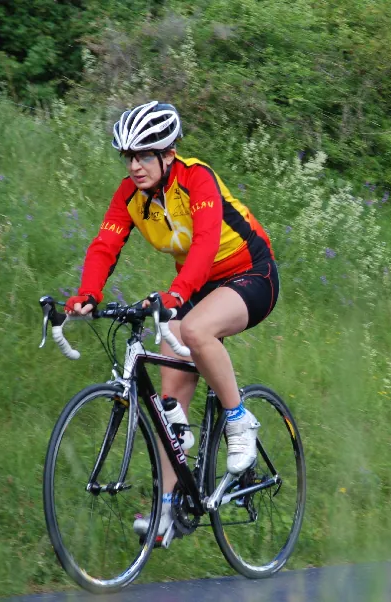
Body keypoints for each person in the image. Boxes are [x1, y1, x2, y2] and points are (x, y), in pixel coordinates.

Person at [65, 101, 279, 541]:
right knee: (169, 411)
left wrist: (177, 294)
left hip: (250, 272)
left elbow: (203, 243)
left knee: (197, 330)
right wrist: (88, 293)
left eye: (144, 155)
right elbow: (105, 245)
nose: (135, 165)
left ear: (168, 153)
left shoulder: (196, 178)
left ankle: (240, 421)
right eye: (128, 156)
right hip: (198, 283)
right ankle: (166, 507)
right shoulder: (129, 194)